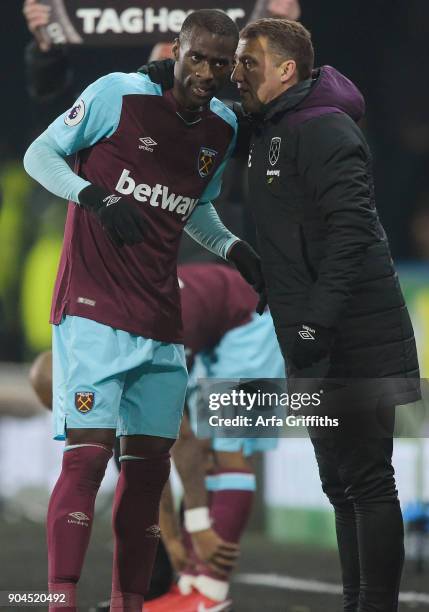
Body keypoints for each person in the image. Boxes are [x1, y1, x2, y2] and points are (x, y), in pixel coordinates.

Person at [23, 10, 266, 612]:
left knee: (150, 471)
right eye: (199, 57)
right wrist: (95, 197)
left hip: (160, 317)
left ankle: (130, 603)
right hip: (92, 306)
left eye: (220, 62)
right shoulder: (117, 94)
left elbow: (197, 209)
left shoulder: (221, 129)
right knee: (87, 454)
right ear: (179, 50)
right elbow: (40, 155)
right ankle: (59, 602)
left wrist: (232, 247)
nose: (207, 72)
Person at [231, 18, 420, 612]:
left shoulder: (325, 129)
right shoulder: (270, 127)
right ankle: (353, 602)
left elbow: (353, 233)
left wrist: (317, 319)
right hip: (310, 337)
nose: (237, 71)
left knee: (366, 482)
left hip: (355, 335)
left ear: (287, 70)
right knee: (339, 485)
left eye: (249, 61)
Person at [29, 263, 285, 612]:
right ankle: (191, 585)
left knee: (228, 449)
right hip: (214, 328)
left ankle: (209, 594)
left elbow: (182, 439)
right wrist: (174, 538)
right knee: (177, 448)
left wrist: (195, 527)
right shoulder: (106, 337)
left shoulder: (127, 342)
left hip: (249, 321)